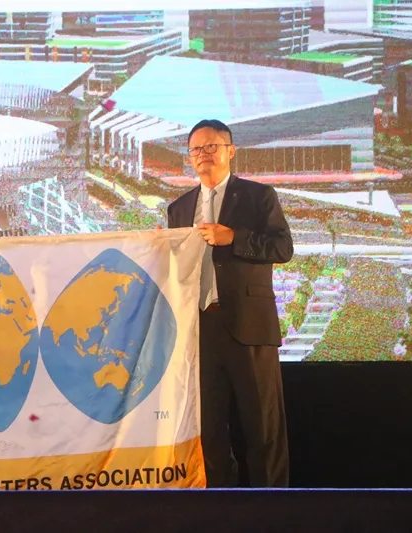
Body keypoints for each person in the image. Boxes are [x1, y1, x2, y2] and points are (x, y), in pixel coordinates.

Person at [166, 119, 293, 488]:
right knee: (208, 431)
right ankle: (220, 507)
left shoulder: (258, 196)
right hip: (199, 330)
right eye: (196, 149)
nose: (203, 154)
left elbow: (282, 248)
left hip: (249, 327)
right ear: (189, 158)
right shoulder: (179, 208)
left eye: (211, 146)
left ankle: (273, 509)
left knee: (263, 430)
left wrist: (234, 237)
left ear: (230, 150)